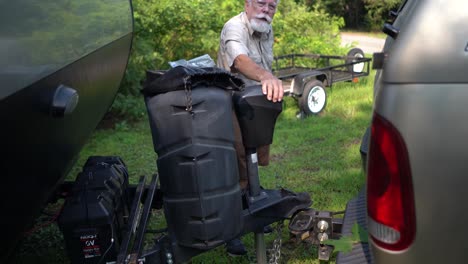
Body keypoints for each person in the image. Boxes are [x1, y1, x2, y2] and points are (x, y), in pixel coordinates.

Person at [217, 0, 283, 256]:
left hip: (256, 102)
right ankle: (232, 231)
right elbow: (241, 61)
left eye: (272, 6)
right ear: (247, 4)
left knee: (254, 161)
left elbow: (265, 64)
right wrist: (266, 77)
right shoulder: (233, 26)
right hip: (229, 101)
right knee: (237, 164)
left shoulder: (267, 30)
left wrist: (270, 81)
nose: (266, 10)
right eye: (261, 3)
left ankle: (254, 212)